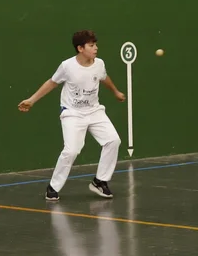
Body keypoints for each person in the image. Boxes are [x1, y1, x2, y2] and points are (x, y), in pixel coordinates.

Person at [18, 30, 125, 200]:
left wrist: (116, 92)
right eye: (91, 45)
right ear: (80, 48)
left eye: (95, 45)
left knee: (113, 140)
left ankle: (100, 181)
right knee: (72, 150)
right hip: (72, 113)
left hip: (94, 111)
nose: (96, 48)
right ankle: (53, 187)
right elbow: (52, 83)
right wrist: (31, 100)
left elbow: (104, 78)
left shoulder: (99, 64)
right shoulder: (67, 66)